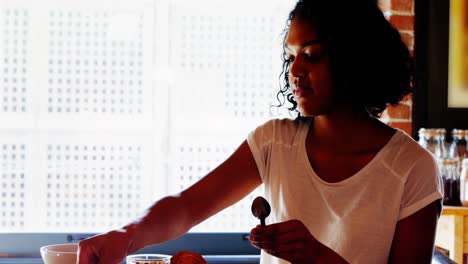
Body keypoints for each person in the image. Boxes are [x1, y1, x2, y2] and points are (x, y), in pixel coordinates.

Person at [77, 0, 443, 263]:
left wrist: (317, 256)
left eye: (312, 55)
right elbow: (187, 207)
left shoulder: (411, 168)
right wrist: (126, 237)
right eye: (290, 56)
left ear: (355, 59)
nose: (295, 70)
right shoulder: (275, 142)